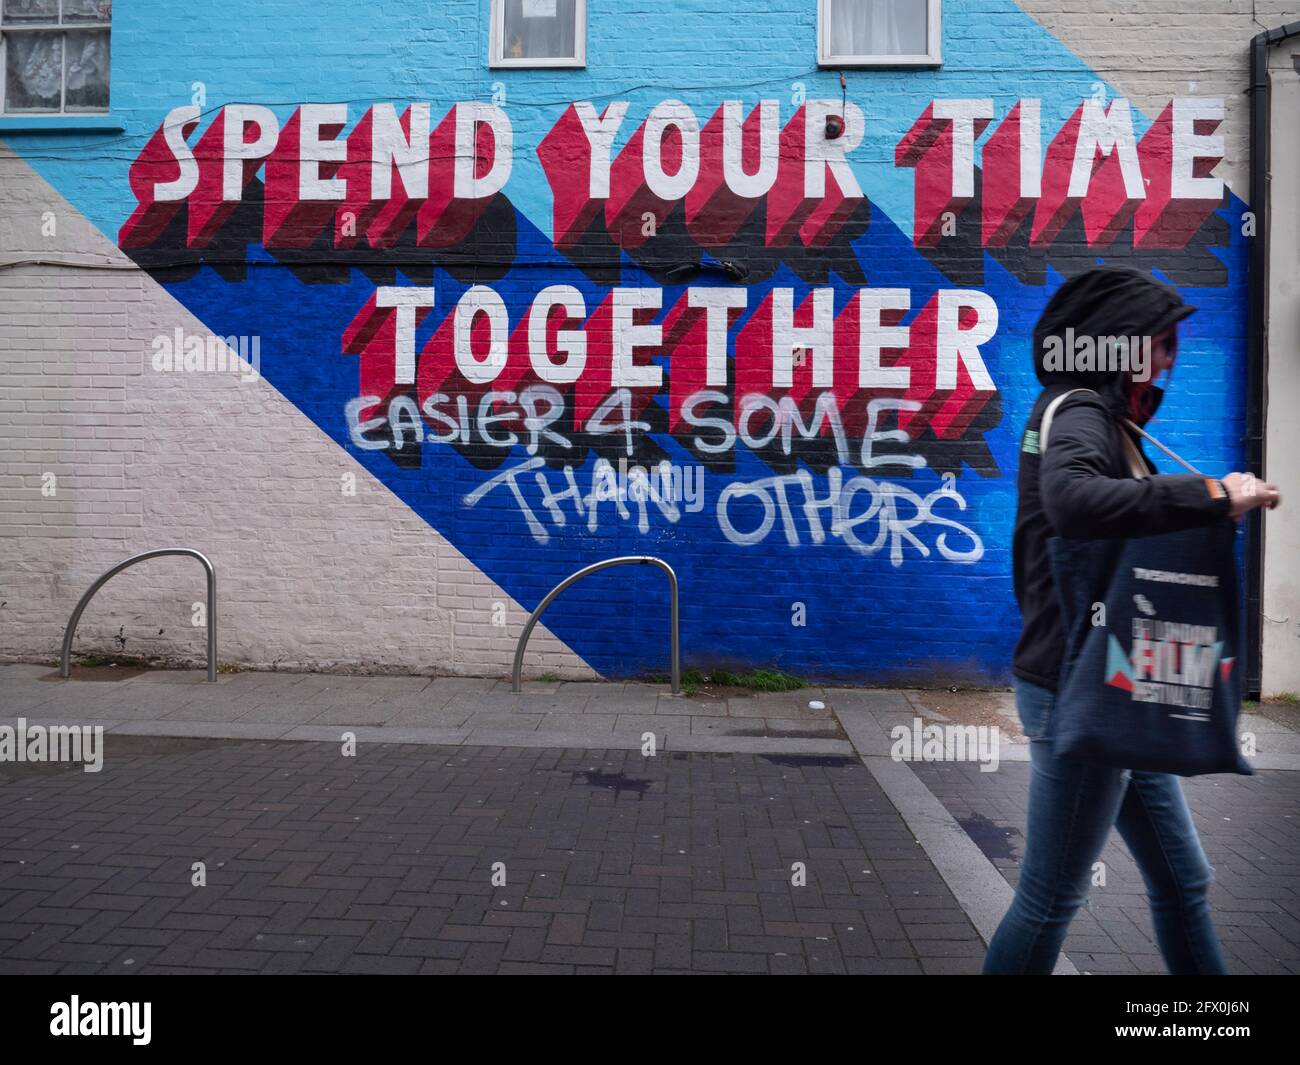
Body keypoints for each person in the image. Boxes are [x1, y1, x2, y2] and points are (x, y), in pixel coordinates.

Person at [982, 266, 1282, 975]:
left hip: (1108, 679)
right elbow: (1074, 502)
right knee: (1051, 896)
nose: (1171, 358)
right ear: (1115, 344)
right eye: (1161, 342)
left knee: (1185, 879)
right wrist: (1210, 493)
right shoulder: (1080, 413)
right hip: (1076, 684)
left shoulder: (1100, 417)